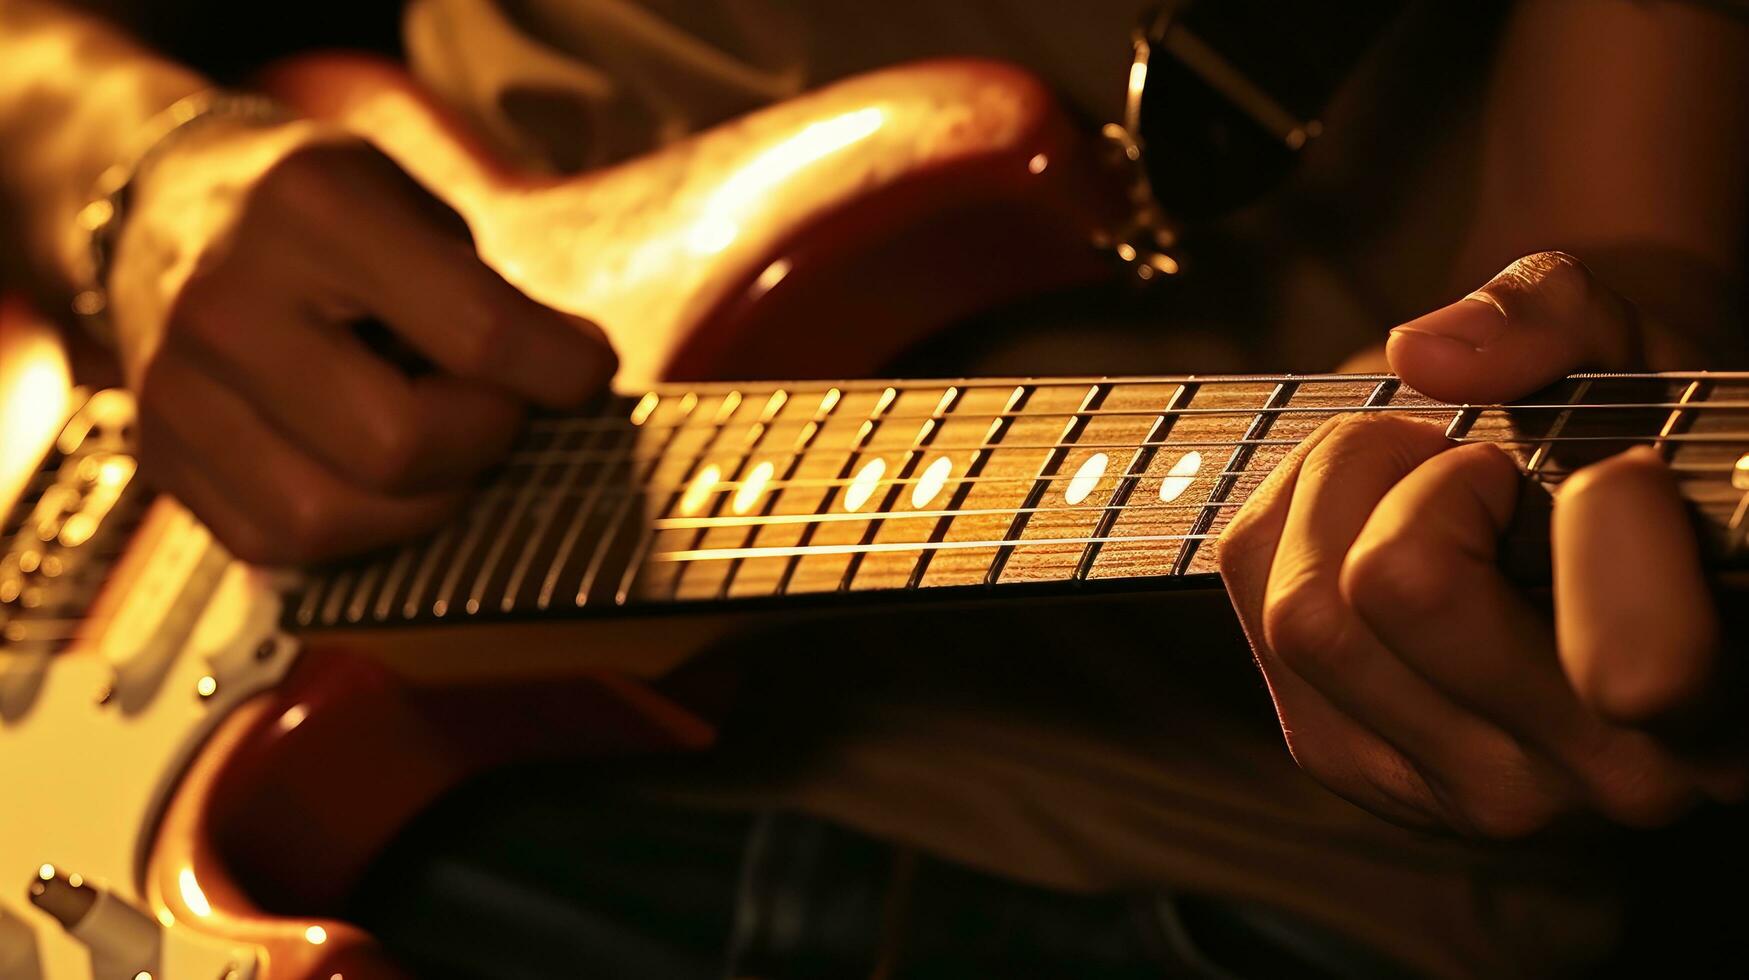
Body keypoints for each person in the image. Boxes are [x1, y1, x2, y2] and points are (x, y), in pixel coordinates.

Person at [2, 0, 1746, 974]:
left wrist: (1616, 360)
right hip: (296, 721)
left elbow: (1617, 255)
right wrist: (139, 170)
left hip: (1213, 879)